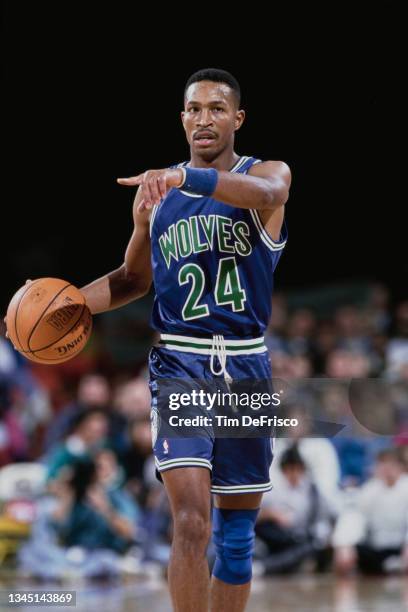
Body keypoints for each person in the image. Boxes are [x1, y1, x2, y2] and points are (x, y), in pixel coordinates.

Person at [10, 68, 291, 611]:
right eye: (193, 109)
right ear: (182, 118)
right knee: (190, 522)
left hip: (246, 366)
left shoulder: (267, 174)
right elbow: (132, 280)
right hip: (181, 363)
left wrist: (187, 179)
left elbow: (268, 192)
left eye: (215, 108)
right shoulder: (159, 196)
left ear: (238, 118)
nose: (203, 119)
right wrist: (54, 306)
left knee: (236, 541)